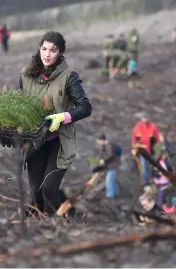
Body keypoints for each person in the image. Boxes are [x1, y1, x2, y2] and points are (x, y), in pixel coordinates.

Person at [19, 31, 92, 216]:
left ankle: (57, 225)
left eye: (53, 50)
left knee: (49, 189)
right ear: (39, 49)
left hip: (59, 140)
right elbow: (20, 105)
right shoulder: (27, 76)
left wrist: (62, 117)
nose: (47, 54)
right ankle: (45, 226)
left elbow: (85, 107)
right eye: (44, 49)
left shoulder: (69, 77)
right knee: (36, 193)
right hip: (36, 140)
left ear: (60, 53)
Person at [132, 112, 162, 185]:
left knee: (152, 165)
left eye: (146, 117)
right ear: (141, 119)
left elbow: (158, 139)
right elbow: (134, 141)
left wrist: (159, 150)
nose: (144, 119)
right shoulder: (137, 128)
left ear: (148, 118)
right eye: (143, 118)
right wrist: (137, 147)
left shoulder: (153, 127)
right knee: (144, 167)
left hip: (152, 151)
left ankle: (153, 178)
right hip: (143, 151)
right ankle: (145, 182)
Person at [95, 134, 121, 198]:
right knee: (112, 179)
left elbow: (110, 155)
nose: (97, 142)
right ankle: (116, 193)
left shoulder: (108, 146)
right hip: (111, 165)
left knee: (109, 181)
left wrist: (104, 160)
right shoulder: (105, 146)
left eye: (98, 141)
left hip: (112, 166)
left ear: (101, 140)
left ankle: (110, 196)